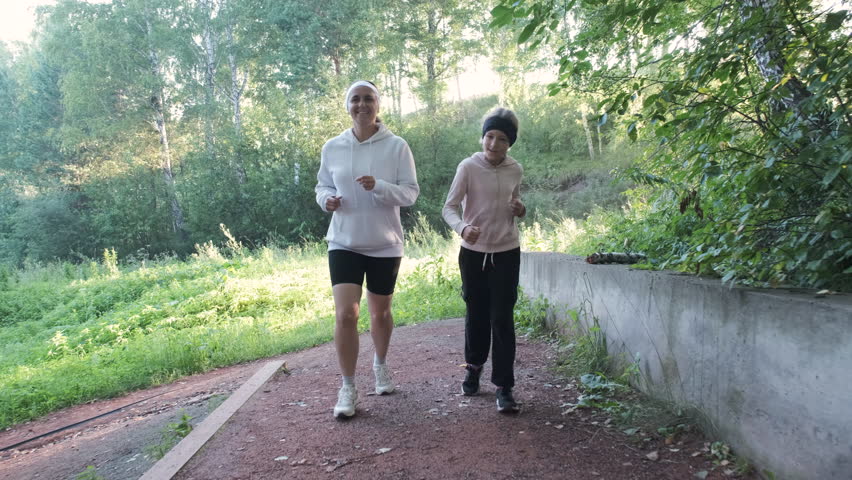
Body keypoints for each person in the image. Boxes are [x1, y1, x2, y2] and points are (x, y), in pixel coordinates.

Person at [315, 80, 419, 418]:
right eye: (355, 99)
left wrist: (380, 187)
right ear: (347, 106)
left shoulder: (397, 146)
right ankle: (347, 387)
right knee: (346, 314)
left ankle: (380, 364)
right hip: (343, 241)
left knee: (381, 314)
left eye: (368, 99)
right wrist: (325, 200)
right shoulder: (332, 147)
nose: (362, 105)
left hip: (384, 244)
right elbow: (322, 184)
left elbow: (410, 193)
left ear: (378, 105)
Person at [442, 107, 525, 413]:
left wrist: (520, 209)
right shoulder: (468, 167)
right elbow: (449, 208)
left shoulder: (516, 169)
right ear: (482, 137)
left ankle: (504, 387)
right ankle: (474, 366)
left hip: (506, 252)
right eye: (489, 136)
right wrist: (463, 228)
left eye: (502, 139)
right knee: (476, 313)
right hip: (473, 254)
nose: (494, 144)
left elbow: (514, 203)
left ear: (510, 142)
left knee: (502, 318)